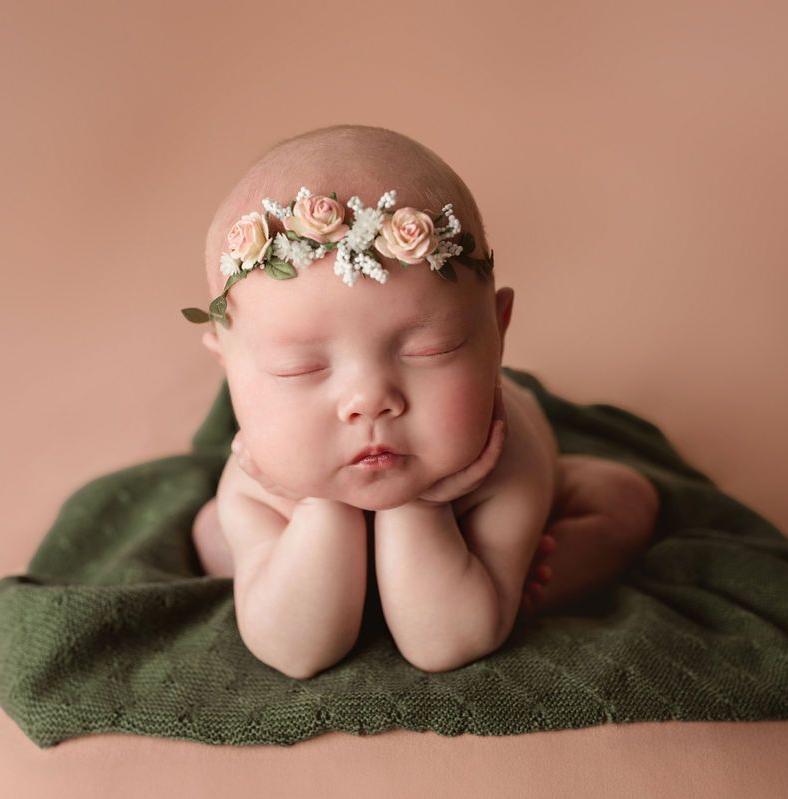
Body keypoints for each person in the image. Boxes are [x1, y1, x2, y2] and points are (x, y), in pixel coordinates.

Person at [185, 124, 659, 680]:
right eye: (301, 369)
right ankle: (285, 572)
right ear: (228, 367)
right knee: (211, 530)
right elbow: (296, 652)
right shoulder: (257, 480)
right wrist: (316, 506)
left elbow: (446, 643)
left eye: (431, 350)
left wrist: (423, 507)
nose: (370, 401)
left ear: (498, 332)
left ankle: (517, 580)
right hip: (287, 521)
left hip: (494, 532)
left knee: (627, 501)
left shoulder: (507, 463)